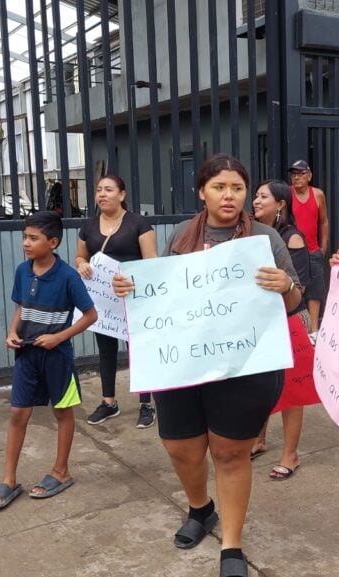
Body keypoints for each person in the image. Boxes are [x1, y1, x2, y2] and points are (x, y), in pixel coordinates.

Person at [113, 154, 301, 577]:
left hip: (245, 363)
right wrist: (131, 287)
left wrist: (285, 285)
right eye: (219, 187)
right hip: (183, 364)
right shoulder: (181, 235)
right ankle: (201, 508)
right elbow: (159, 295)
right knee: (181, 447)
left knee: (231, 452)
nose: (229, 195)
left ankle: (231, 543)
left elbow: (293, 302)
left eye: (237, 188)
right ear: (202, 192)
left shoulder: (266, 239)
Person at [0, 211, 98, 510]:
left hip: (57, 358)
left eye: (33, 238)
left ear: (53, 242)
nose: (26, 243)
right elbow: (21, 306)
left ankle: (61, 471)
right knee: (18, 414)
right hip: (26, 355)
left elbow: (91, 316)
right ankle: (9, 479)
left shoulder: (68, 277)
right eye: (25, 237)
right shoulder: (23, 271)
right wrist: (12, 332)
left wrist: (59, 337)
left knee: (62, 412)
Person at [75, 175, 159, 428]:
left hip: (133, 296)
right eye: (98, 189)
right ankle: (108, 402)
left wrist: (133, 281)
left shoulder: (138, 223)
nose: (102, 194)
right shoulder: (88, 226)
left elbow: (151, 261)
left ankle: (147, 404)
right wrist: (82, 265)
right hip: (102, 300)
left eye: (108, 189)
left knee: (138, 349)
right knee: (106, 350)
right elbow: (79, 256)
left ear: (121, 195)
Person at [250, 179, 311, 480]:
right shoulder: (248, 233)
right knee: (261, 385)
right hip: (261, 320)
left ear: (281, 204)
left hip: (289, 320)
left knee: (291, 389)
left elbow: (298, 285)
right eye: (256, 196)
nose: (256, 201)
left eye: (263, 196)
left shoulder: (291, 238)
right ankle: (259, 439)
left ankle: (291, 454)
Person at [288, 160, 329, 335]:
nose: (296, 177)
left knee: (315, 290)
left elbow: (323, 221)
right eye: (294, 174)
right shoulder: (287, 195)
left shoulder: (318, 194)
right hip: (295, 252)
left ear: (309, 176)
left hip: (313, 250)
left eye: (300, 174)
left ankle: (314, 331)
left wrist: (323, 248)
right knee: (294, 289)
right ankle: (297, 331)